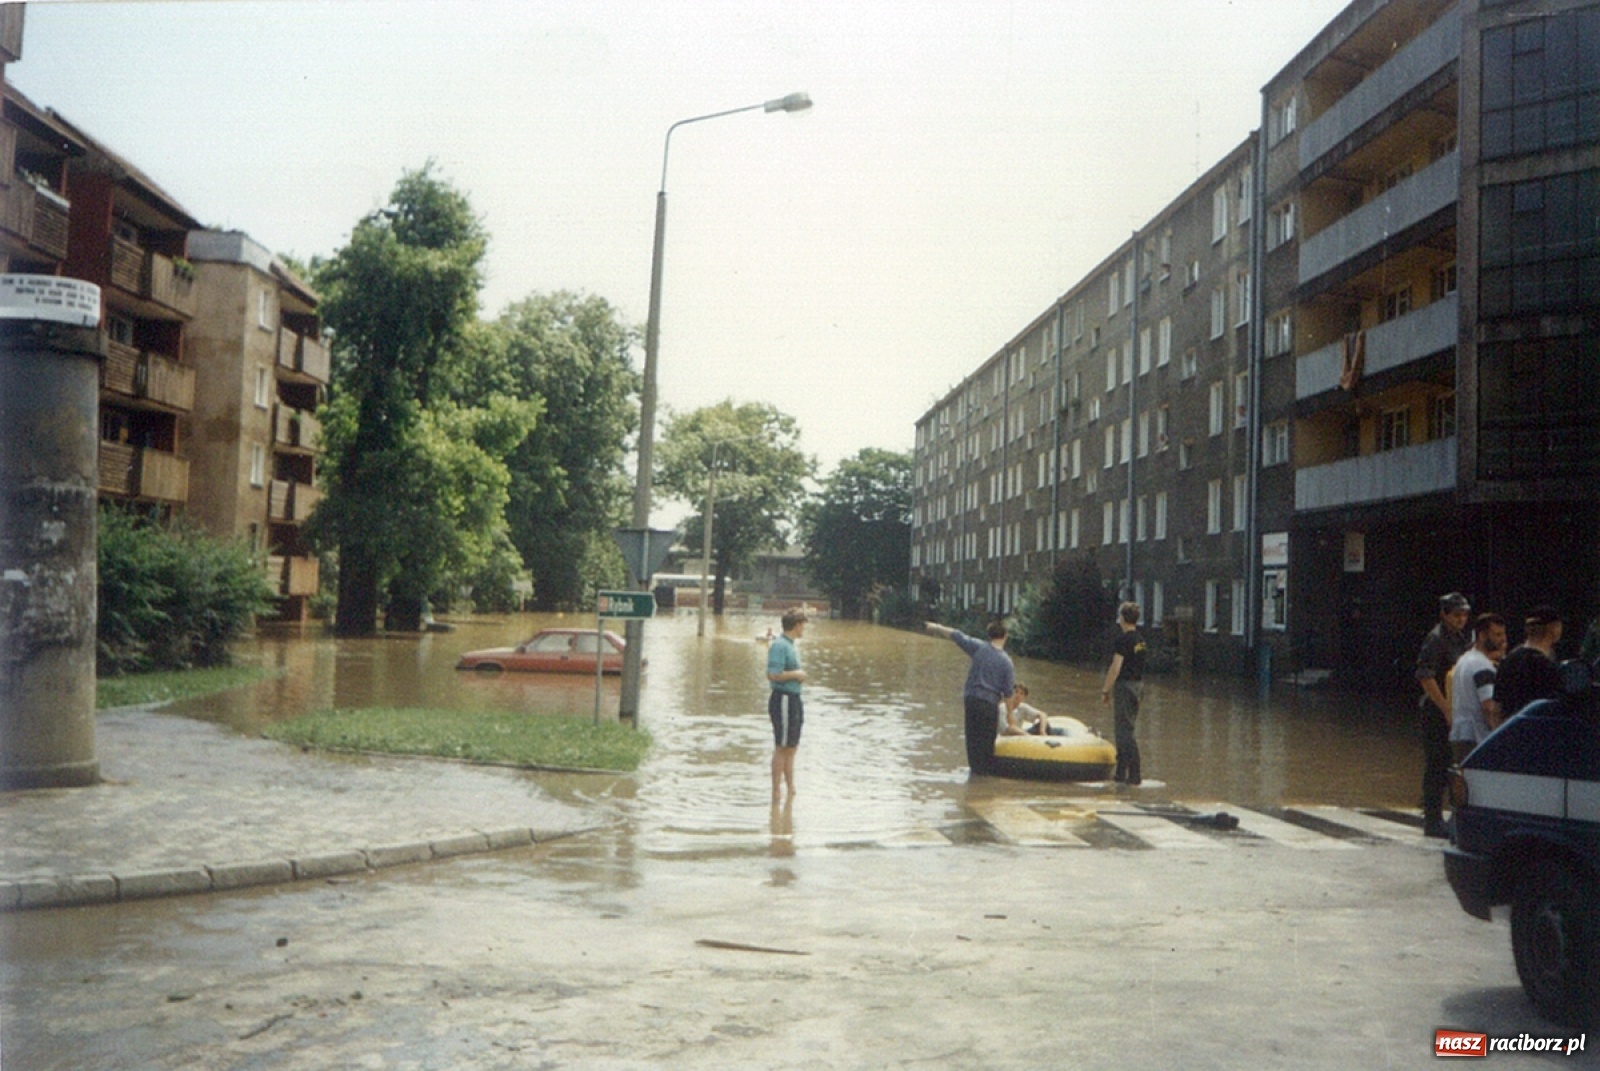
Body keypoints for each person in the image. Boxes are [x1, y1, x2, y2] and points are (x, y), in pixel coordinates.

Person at [925, 619, 1015, 776]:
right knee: (986, 745)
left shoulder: (978, 647)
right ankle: (983, 782)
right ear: (1005, 636)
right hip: (989, 704)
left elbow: (957, 636)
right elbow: (1008, 694)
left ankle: (973, 776)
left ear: (989, 635)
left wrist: (937, 627)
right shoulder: (1006, 662)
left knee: (972, 742)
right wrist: (1010, 716)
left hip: (971, 701)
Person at [1416, 592, 1472, 837]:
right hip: (1436, 711)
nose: (1462, 619)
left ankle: (1450, 815)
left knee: (1452, 763)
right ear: (1444, 614)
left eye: (1464, 614)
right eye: (1457, 614)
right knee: (1436, 766)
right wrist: (1446, 709)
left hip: (1454, 710)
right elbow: (1426, 677)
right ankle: (1432, 821)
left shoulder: (1459, 638)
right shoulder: (1436, 639)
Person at [1101, 601, 1147, 786]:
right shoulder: (1141, 641)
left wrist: (1105, 690)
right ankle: (1121, 773)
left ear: (1123, 617)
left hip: (1125, 686)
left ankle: (1134, 774)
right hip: (1138, 686)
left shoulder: (1123, 640)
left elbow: (1115, 668)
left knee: (1124, 732)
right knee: (1127, 727)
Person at [1449, 613, 1506, 764]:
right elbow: (1489, 708)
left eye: (1503, 634)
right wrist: (1500, 737)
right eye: (1497, 634)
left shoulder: (1464, 659)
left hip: (1460, 734)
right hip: (1476, 737)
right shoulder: (1482, 666)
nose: (1503, 639)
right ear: (1481, 635)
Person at [765, 609, 808, 801]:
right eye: (803, 625)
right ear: (796, 625)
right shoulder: (780, 645)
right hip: (783, 698)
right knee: (782, 746)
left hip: (794, 699)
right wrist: (796, 675)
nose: (804, 629)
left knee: (792, 746)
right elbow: (773, 674)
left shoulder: (790, 645)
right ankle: (776, 790)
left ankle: (790, 788)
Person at [1495, 606, 1564, 719]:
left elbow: (1496, 708)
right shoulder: (1547, 666)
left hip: (1512, 731)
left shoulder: (1508, 661)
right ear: (1554, 628)